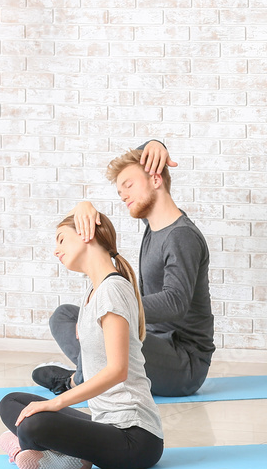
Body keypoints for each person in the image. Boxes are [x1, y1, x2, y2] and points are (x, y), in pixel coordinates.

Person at [34, 141, 215, 397]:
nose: (123, 196)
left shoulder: (181, 236)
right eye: (120, 192)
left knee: (101, 318)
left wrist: (112, 308)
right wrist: (84, 205)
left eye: (128, 186)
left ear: (155, 179)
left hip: (183, 363)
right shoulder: (155, 226)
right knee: (64, 315)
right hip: (148, 342)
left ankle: (77, 380)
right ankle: (87, 374)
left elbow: (176, 302)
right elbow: (142, 154)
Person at [0, 211, 164, 469]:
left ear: (86, 234)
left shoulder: (112, 290)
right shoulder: (93, 291)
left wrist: (56, 403)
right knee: (11, 402)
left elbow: (117, 371)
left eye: (61, 240)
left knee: (32, 425)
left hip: (135, 437)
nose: (56, 250)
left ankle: (43, 453)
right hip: (105, 423)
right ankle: (64, 457)